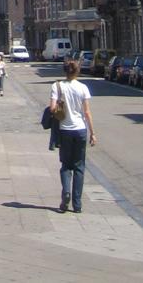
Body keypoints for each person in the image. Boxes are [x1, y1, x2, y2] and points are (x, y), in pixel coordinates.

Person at [50, 58, 97, 213]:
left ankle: (66, 193)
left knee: (65, 165)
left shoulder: (57, 86)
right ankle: (77, 204)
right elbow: (87, 112)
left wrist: (60, 105)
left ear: (65, 71)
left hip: (65, 130)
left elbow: (52, 108)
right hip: (80, 130)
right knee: (79, 167)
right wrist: (92, 133)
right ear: (77, 71)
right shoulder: (83, 88)